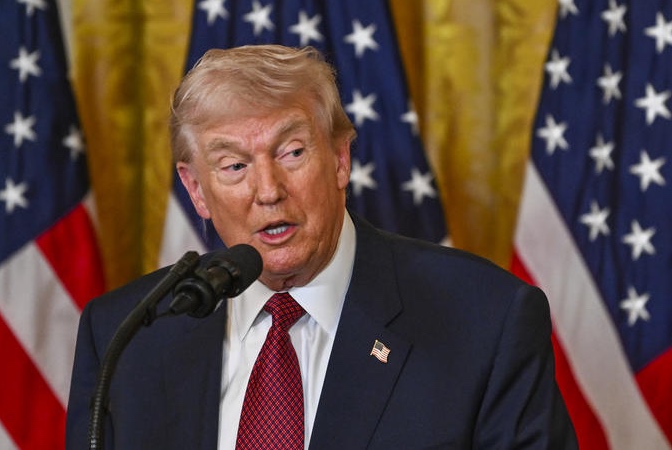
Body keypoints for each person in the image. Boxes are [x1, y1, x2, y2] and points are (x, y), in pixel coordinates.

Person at [65, 44, 577, 449]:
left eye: (291, 152)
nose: (268, 190)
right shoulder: (125, 338)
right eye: (234, 166)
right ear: (197, 189)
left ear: (338, 159)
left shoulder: (484, 321)